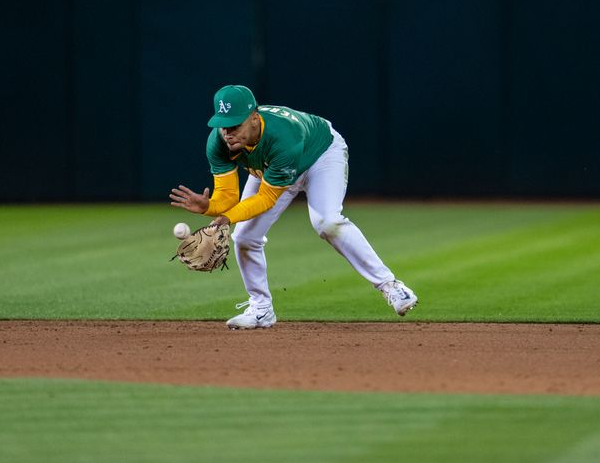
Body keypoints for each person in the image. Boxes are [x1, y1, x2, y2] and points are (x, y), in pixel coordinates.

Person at [170, 85, 417, 330]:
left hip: (319, 155)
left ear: (254, 118)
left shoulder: (283, 137)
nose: (228, 133)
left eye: (235, 125)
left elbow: (266, 198)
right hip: (272, 169)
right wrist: (210, 207)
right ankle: (261, 309)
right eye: (223, 125)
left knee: (327, 222)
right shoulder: (218, 142)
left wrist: (226, 217)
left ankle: (391, 286)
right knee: (244, 236)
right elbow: (227, 196)